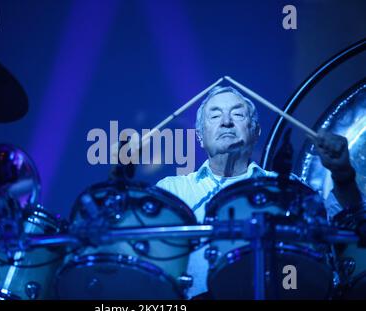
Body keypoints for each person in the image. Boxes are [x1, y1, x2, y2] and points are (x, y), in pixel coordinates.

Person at [156, 86, 365, 299]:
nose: (226, 121)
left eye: (237, 114)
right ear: (200, 137)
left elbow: (343, 222)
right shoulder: (173, 191)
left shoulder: (285, 188)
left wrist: (343, 174)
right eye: (215, 115)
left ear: (256, 132)